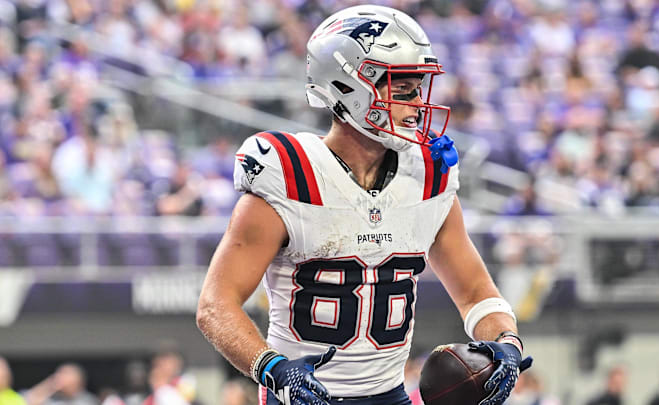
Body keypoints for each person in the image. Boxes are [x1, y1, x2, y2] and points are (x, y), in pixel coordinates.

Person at [196, 5, 532, 405]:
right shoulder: (290, 176)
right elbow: (216, 305)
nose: (417, 103)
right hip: (304, 399)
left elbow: (477, 292)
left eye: (419, 87)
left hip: (390, 396)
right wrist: (271, 366)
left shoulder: (427, 176)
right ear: (348, 87)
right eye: (401, 86)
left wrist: (506, 341)